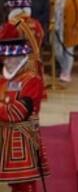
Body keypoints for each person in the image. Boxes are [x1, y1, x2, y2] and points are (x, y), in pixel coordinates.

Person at [0, 38, 49, 192]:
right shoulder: (3, 79)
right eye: (4, 57)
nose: (6, 61)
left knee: (24, 184)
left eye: (10, 57)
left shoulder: (32, 80)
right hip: (4, 138)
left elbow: (17, 113)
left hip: (21, 140)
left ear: (21, 57)